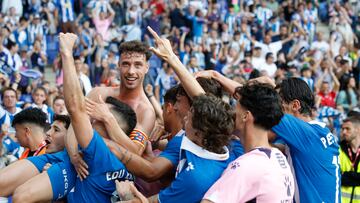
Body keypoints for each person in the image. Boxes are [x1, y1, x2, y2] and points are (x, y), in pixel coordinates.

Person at [202, 83, 294, 202]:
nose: (231, 113)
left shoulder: (248, 165)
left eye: (235, 107)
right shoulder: (278, 157)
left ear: (245, 116)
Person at [0, 113, 70, 199]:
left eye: (56, 130)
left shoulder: (76, 163)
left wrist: (52, 179)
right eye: (50, 128)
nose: (48, 132)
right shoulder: (29, 153)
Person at [339, 116, 360, 203]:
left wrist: (347, 175)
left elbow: (343, 176)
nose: (344, 132)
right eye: (343, 129)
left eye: (347, 129)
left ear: (358, 129)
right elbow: (337, 177)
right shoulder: (338, 150)